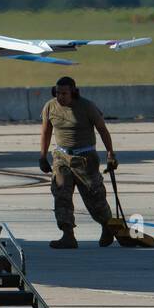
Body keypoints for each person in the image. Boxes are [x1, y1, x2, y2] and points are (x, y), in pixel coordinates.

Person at [39, 76, 118, 249]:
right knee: (61, 195)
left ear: (73, 92)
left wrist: (110, 154)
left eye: (64, 93)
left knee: (95, 197)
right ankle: (68, 235)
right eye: (58, 93)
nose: (60, 97)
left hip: (85, 159)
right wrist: (43, 156)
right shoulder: (50, 107)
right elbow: (46, 131)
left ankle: (107, 226)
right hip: (61, 157)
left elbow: (102, 130)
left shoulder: (87, 107)